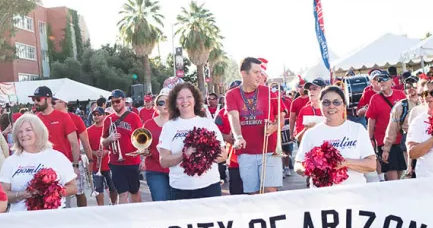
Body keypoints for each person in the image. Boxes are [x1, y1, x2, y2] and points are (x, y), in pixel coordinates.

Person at [295, 85, 377, 185]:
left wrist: (345, 163)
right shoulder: (311, 133)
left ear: (344, 106)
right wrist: (307, 169)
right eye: (326, 102)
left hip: (354, 194)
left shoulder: (357, 129)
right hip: (321, 195)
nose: (331, 106)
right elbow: (298, 163)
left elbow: (372, 165)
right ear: (320, 105)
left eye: (336, 102)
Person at [158, 83, 226, 200]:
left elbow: (223, 155)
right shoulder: (169, 126)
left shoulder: (208, 123)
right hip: (180, 188)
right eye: (180, 98)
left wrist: (204, 153)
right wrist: (184, 154)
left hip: (209, 186)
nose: (185, 101)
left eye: (189, 97)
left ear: (195, 100)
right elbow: (163, 161)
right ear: (175, 102)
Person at [0, 114, 79, 211]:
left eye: (28, 130)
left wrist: (53, 191)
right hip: (21, 220)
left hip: (53, 219)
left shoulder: (57, 157)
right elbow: (3, 195)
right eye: (19, 131)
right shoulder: (10, 161)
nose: (23, 134)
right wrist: (22, 194)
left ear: (39, 131)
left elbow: (73, 187)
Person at [226, 57, 282, 194]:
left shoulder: (268, 91)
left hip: (269, 151)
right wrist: (238, 137)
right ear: (244, 73)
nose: (260, 75)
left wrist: (274, 127)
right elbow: (233, 116)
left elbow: (280, 117)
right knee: (253, 194)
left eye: (260, 72)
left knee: (270, 191)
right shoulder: (231, 94)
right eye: (256, 72)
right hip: (246, 153)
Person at [101, 89, 144, 204]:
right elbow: (103, 141)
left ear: (124, 100)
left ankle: (137, 215)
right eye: (113, 102)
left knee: (134, 191)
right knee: (122, 192)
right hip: (116, 162)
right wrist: (109, 139)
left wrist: (142, 159)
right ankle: (125, 219)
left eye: (117, 101)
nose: (115, 104)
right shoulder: (108, 119)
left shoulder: (134, 117)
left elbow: (142, 139)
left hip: (133, 160)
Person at [365, 70, 405, 181]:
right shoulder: (375, 98)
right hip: (384, 141)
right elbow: (371, 120)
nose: (381, 82)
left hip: (400, 139)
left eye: (384, 79)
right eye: (378, 80)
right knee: (392, 173)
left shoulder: (400, 94)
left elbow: (407, 114)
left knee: (401, 171)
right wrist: (370, 138)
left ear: (391, 80)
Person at [54, 98, 93, 207]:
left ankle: (83, 215)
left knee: (79, 192)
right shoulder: (50, 117)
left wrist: (90, 160)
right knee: (58, 193)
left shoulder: (76, 119)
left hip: (73, 161)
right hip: (56, 162)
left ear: (63, 102)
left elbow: (85, 141)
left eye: (54, 102)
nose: (51, 105)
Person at [31, 86, 80, 167]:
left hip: (61, 164)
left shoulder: (64, 117)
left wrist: (75, 165)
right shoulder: (35, 119)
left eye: (38, 99)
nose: (35, 102)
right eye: (34, 99)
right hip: (42, 166)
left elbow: (74, 143)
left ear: (49, 99)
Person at [380, 78, 418, 175]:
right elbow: (392, 129)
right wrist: (386, 149)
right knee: (412, 173)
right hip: (409, 145)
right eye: (408, 87)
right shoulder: (400, 107)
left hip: (428, 143)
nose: (411, 89)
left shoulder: (428, 102)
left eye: (414, 85)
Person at [141, 88, 172, 202]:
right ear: (156, 105)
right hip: (155, 169)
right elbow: (142, 145)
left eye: (168, 102)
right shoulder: (148, 124)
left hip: (176, 170)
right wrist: (143, 152)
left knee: (177, 205)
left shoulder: (178, 122)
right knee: (160, 201)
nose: (165, 105)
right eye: (161, 102)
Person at [85, 108, 113, 206]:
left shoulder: (109, 129)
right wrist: (94, 152)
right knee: (98, 189)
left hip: (109, 164)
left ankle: (114, 205)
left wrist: (106, 151)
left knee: (113, 188)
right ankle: (100, 208)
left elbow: (115, 144)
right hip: (96, 166)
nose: (96, 116)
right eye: (94, 114)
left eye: (99, 114)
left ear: (104, 115)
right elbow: (86, 147)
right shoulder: (88, 131)